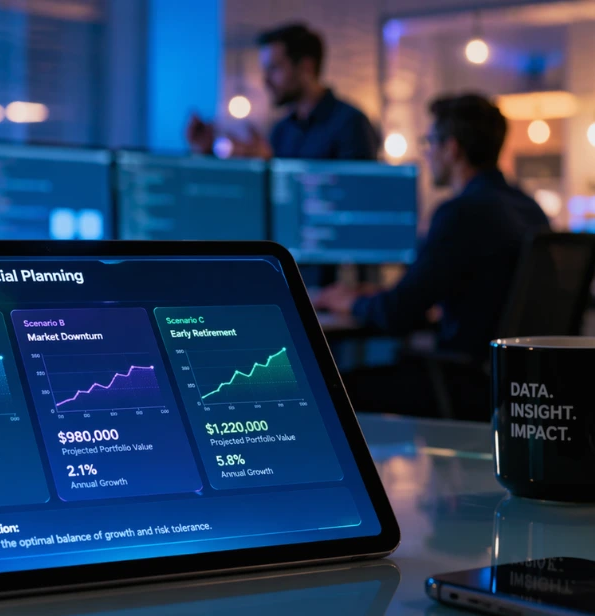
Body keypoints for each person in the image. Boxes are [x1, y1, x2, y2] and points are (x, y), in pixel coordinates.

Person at [314, 93, 551, 419]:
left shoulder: (461, 213)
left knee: (332, 387)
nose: (427, 153)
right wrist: (381, 296)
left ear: (451, 149)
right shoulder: (530, 209)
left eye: (430, 142)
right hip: (517, 384)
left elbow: (397, 312)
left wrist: (346, 301)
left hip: (462, 381)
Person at [186, 23, 378, 161]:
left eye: (274, 69)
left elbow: (358, 194)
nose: (266, 80)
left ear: (306, 67)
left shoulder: (350, 124)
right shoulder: (282, 130)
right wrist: (208, 152)